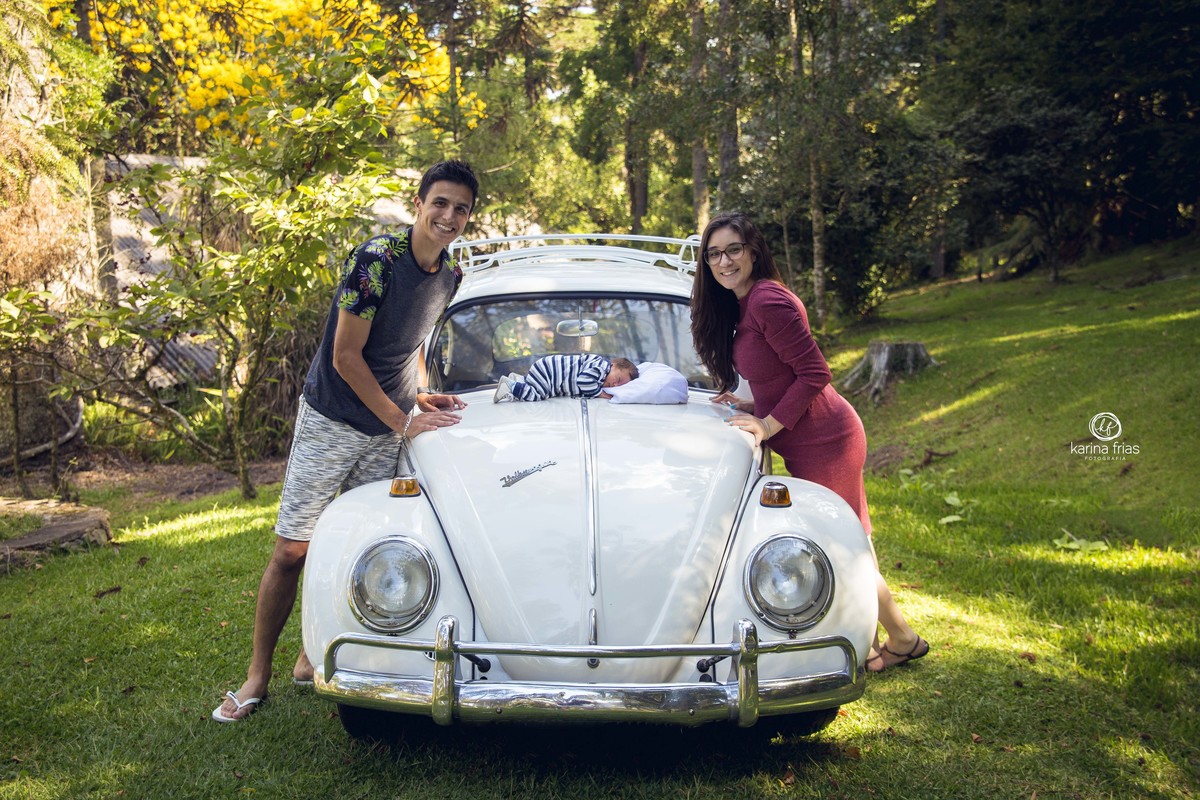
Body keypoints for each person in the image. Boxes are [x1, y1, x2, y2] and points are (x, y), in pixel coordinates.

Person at [212, 160, 479, 722]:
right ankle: (257, 676)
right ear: (420, 203)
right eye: (441, 203)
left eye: (461, 208)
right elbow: (345, 356)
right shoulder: (375, 263)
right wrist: (400, 421)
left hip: (390, 425)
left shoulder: (449, 275)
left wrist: (420, 397)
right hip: (334, 418)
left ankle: (312, 656)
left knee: (366, 544)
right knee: (293, 550)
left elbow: (408, 348)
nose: (449, 216)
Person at [690, 211, 928, 674]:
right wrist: (743, 398)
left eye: (733, 249)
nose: (724, 261)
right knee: (855, 539)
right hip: (810, 436)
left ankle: (901, 638)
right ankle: (883, 640)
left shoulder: (766, 300)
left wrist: (768, 426)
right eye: (714, 253)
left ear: (753, 250)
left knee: (845, 545)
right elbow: (777, 371)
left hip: (826, 437)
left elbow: (815, 373)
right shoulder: (745, 302)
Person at [493, 355, 638, 402]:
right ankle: (509, 386)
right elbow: (583, 381)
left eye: (618, 386)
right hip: (549, 372)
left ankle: (520, 381)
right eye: (617, 379)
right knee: (536, 396)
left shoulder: (602, 372)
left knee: (542, 391)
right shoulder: (601, 367)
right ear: (613, 365)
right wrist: (601, 394)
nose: (614, 385)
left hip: (548, 371)